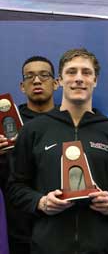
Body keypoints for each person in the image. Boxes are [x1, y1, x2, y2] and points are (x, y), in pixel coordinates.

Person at [8, 48, 108, 253]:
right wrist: (41, 202)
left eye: (86, 72)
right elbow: (15, 186)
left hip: (102, 247)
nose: (79, 79)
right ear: (60, 80)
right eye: (72, 72)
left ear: (95, 80)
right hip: (47, 246)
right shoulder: (34, 130)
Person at [2, 56, 57, 254]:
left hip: (62, 226)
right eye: (30, 76)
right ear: (22, 86)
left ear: (56, 83)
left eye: (44, 75)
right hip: (21, 228)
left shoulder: (68, 119)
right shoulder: (5, 124)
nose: (36, 81)